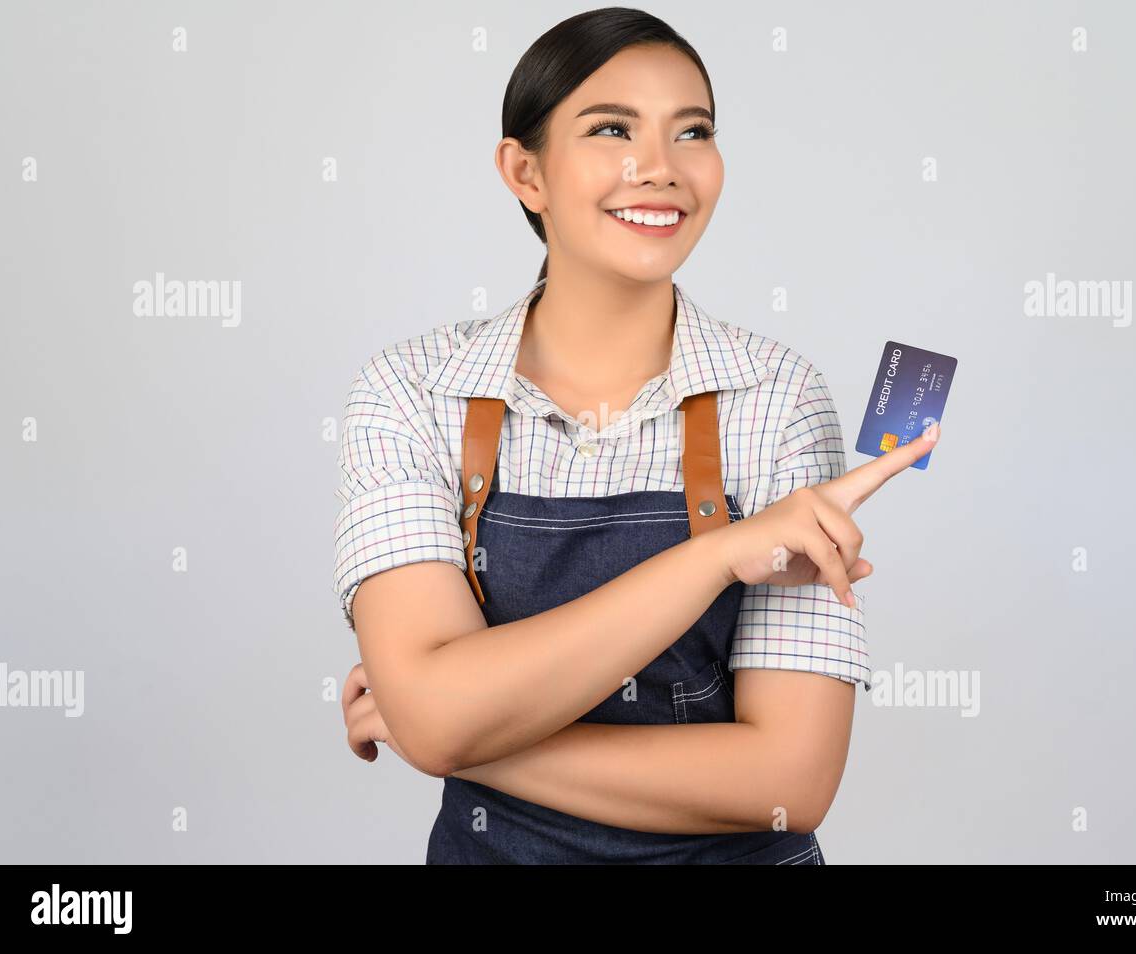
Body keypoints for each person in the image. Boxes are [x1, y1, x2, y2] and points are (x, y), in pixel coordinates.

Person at [333, 7, 940, 864]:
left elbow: (789, 783)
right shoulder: (411, 391)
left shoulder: (776, 397)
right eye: (612, 128)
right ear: (525, 171)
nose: (659, 168)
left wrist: (460, 734)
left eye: (692, 132)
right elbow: (434, 717)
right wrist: (716, 556)